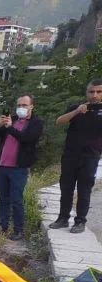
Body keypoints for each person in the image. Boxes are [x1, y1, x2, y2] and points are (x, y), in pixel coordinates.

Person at [49, 79, 102, 234]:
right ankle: (62, 218)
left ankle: (80, 221)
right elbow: (59, 121)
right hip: (70, 155)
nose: (95, 95)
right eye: (92, 91)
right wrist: (77, 111)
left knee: (84, 189)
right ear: (87, 93)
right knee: (66, 188)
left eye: (99, 92)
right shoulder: (77, 108)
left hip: (90, 156)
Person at [0, 94, 44, 241]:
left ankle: (18, 229)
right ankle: (3, 225)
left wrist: (10, 129)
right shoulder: (11, 119)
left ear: (32, 106)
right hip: (3, 164)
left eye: (24, 105)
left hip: (19, 167)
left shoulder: (36, 123)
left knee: (16, 199)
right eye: (19, 105)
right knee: (3, 198)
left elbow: (28, 139)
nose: (21, 108)